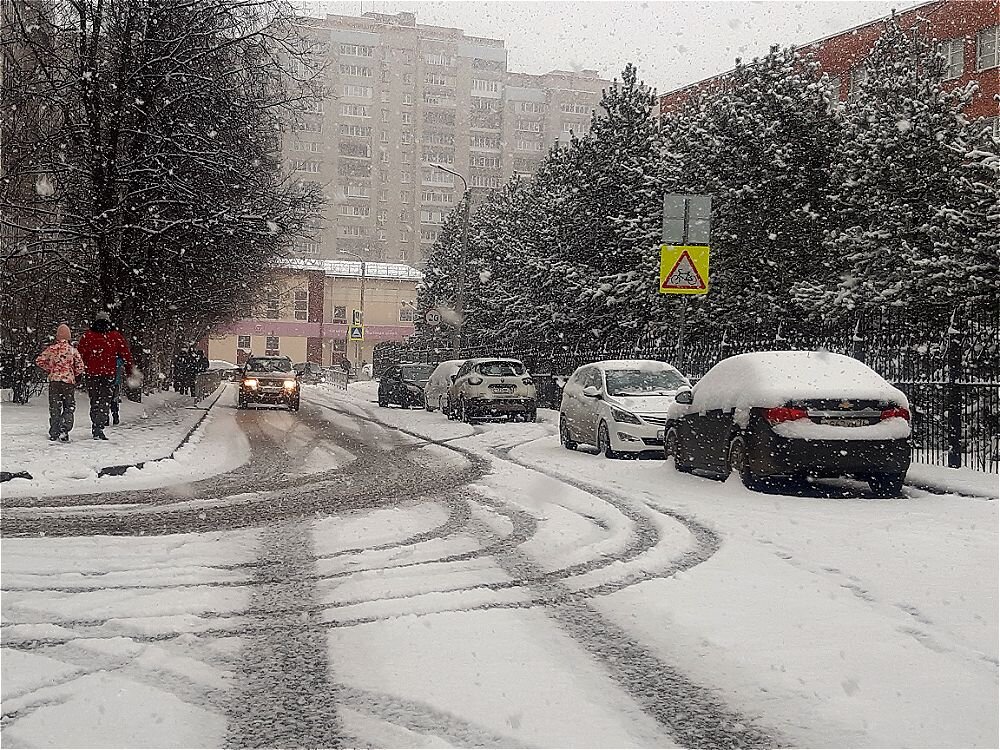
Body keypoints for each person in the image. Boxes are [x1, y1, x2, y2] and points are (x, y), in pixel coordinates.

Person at [78, 312, 134, 440]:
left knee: (94, 400)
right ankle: (99, 426)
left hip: (91, 374)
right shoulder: (114, 336)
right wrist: (129, 369)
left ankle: (95, 423)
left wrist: (78, 373)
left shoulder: (88, 336)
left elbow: (80, 355)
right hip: (108, 374)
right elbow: (125, 354)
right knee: (105, 401)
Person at [35, 324, 85, 442]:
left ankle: (54, 431)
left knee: (55, 407)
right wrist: (73, 373)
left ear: (57, 336)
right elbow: (80, 366)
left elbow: (39, 360)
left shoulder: (51, 349)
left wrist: (50, 369)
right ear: (69, 336)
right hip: (68, 382)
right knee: (69, 406)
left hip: (54, 381)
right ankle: (64, 429)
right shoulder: (72, 351)